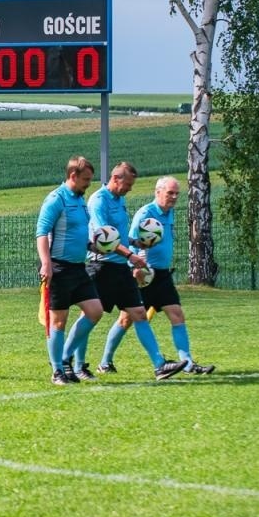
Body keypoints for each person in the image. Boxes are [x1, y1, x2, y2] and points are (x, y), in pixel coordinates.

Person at [71, 161, 185, 381]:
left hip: (120, 268)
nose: (130, 189)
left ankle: (160, 365)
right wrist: (131, 256)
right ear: (115, 179)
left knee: (139, 314)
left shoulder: (119, 199)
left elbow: (120, 237)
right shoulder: (98, 201)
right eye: (128, 184)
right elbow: (105, 238)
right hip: (101, 267)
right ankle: (75, 365)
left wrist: (137, 243)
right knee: (88, 315)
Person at [103, 175, 215, 375]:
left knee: (177, 314)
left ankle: (187, 362)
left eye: (176, 194)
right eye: (169, 193)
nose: (173, 197)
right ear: (158, 192)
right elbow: (130, 242)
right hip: (143, 276)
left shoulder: (169, 213)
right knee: (126, 320)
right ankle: (105, 362)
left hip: (162, 276)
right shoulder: (146, 213)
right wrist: (135, 268)